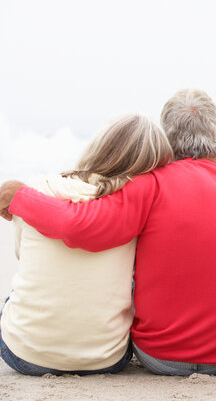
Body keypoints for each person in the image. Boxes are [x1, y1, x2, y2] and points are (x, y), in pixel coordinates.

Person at [0, 89, 216, 376]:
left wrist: (20, 197)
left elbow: (79, 227)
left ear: (166, 141)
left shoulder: (149, 185)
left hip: (157, 356)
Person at [0, 114, 173, 375]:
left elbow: (23, 256)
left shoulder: (37, 190)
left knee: (16, 295)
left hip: (25, 355)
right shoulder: (142, 210)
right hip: (105, 359)